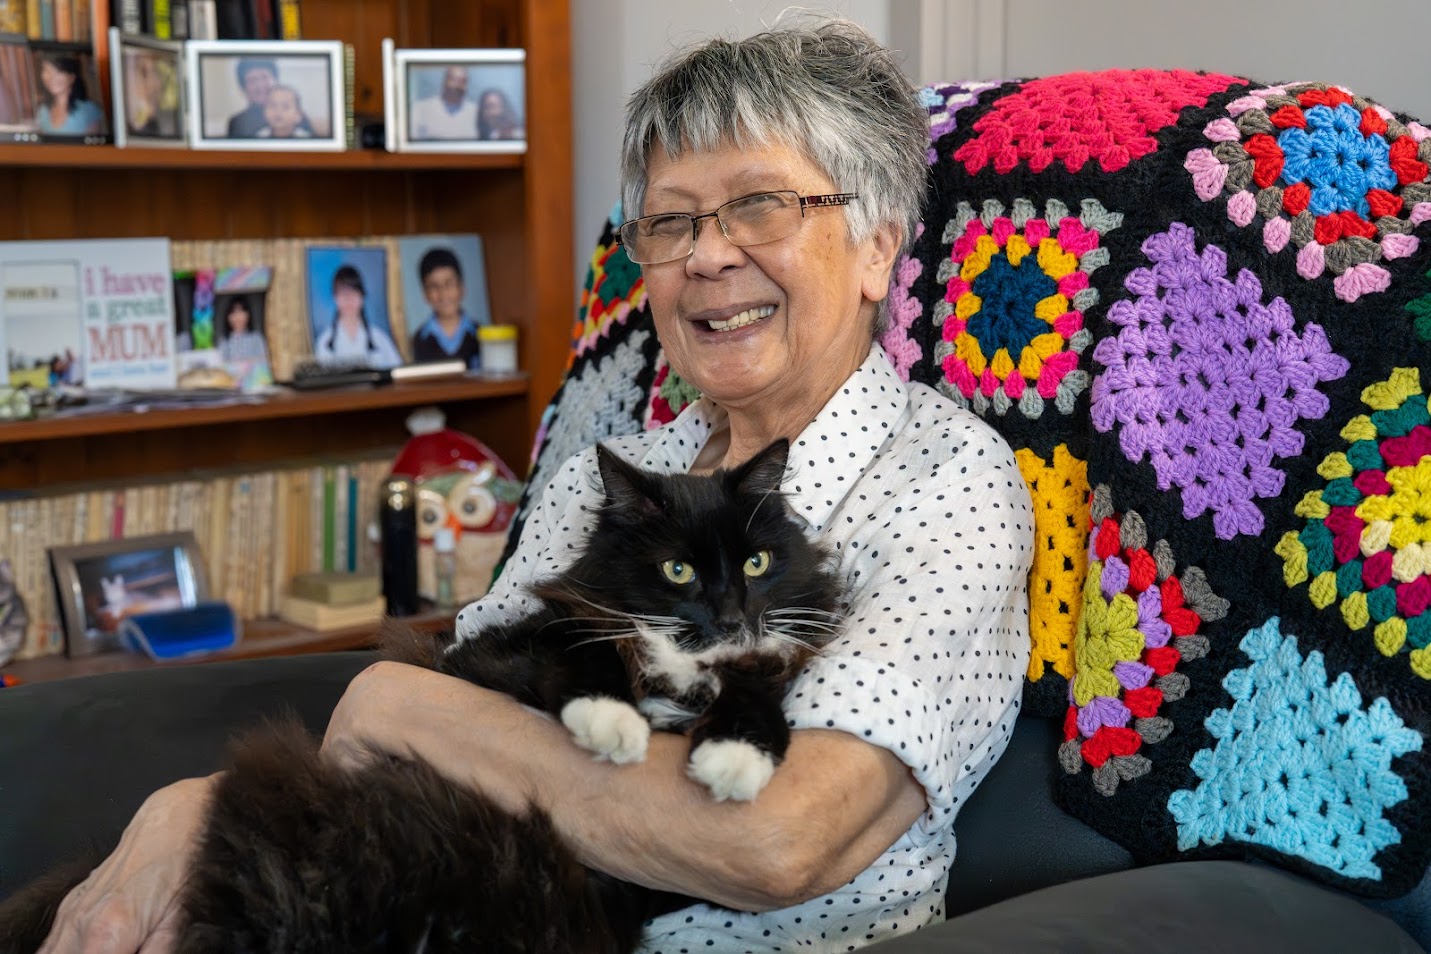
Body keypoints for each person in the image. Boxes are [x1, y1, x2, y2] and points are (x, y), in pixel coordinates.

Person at [38, 15, 1033, 952]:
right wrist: (197, 806)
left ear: (876, 247)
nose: (709, 257)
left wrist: (387, 700)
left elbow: (774, 842)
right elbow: (468, 707)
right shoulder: (615, 472)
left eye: (759, 205)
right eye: (670, 223)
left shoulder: (946, 485)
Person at [311, 264, 403, 369]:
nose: (348, 299)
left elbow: (398, 374)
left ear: (362, 297)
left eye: (353, 292)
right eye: (343, 293)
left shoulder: (380, 339)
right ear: (335, 298)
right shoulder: (324, 342)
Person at [409, 246, 482, 367]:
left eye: (449, 284)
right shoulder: (419, 339)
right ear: (425, 294)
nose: (443, 294)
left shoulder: (479, 333)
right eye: (434, 286)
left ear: (461, 288)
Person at [225, 58, 313, 139]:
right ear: (244, 87)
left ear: (276, 80)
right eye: (252, 80)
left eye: (264, 77)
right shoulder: (237, 122)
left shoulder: (294, 115)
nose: (260, 85)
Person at [35, 52, 104, 137]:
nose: (52, 77)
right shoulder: (43, 111)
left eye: (59, 71)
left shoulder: (88, 110)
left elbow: (93, 148)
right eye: (47, 70)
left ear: (72, 77)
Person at [410, 65, 477, 141]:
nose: (458, 85)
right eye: (454, 80)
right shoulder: (421, 108)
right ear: (444, 82)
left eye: (463, 81)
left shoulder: (476, 112)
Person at [217, 297, 269, 365]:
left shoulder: (256, 338)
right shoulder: (224, 341)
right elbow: (221, 364)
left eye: (241, 311)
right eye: (233, 312)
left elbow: (264, 360)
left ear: (248, 315)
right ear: (228, 317)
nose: (238, 316)